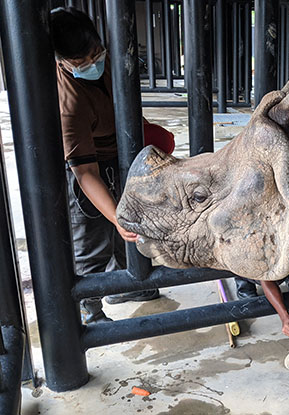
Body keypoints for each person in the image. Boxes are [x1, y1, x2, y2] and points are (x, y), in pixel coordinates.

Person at [50, 7, 160, 324]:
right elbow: (85, 172)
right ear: (61, 61)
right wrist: (115, 217)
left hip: (122, 152)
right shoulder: (67, 103)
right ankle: (90, 309)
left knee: (133, 229)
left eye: (96, 55)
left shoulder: (110, 60)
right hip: (87, 163)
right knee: (93, 238)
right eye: (80, 64)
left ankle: (132, 285)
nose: (92, 65)